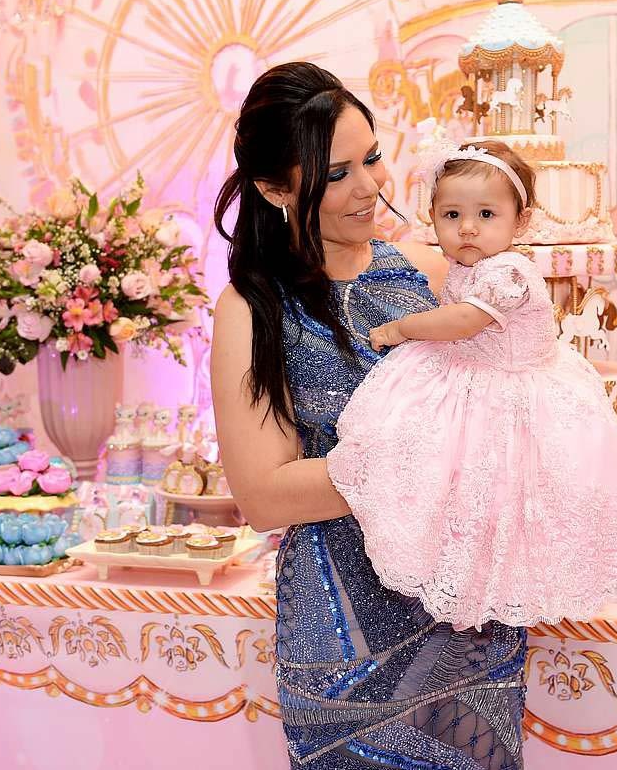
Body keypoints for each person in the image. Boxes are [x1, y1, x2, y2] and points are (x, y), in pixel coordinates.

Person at [210, 62, 527, 769]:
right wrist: (432, 457)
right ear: (275, 189)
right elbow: (263, 495)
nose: (369, 186)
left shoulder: (437, 276)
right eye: (336, 173)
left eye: (373, 158)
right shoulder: (253, 310)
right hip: (344, 631)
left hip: (467, 613)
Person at [327, 139, 617, 630]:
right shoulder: (465, 267)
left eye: (486, 214)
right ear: (433, 218)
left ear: (520, 223)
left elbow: (464, 321)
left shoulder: (510, 271)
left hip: (515, 393)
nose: (467, 228)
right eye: (451, 215)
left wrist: (401, 328)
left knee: (515, 491)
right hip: (476, 380)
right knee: (456, 480)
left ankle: (506, 579)